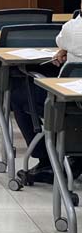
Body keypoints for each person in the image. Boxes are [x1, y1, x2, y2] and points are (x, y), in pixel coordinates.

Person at [11, 10, 82, 183]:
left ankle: (46, 160)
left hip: (70, 104)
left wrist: (64, 49)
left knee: (18, 96)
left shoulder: (73, 27)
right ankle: (76, 159)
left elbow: (63, 41)